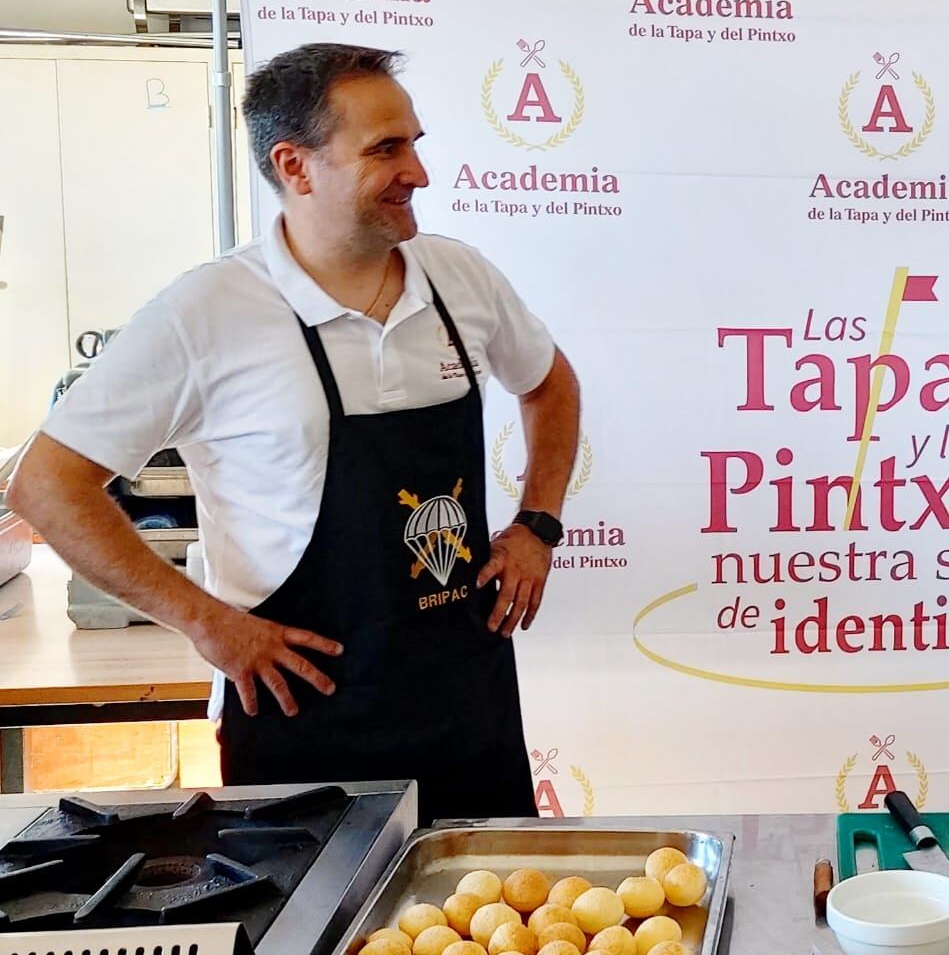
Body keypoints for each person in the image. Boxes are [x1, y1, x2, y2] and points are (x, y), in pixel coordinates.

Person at [6, 43, 580, 820]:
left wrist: (537, 525)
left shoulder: (459, 277)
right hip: (303, 726)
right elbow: (46, 484)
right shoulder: (204, 315)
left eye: (414, 142)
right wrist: (207, 624)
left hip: (465, 705)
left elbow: (549, 383)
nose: (419, 172)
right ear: (295, 166)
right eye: (386, 149)